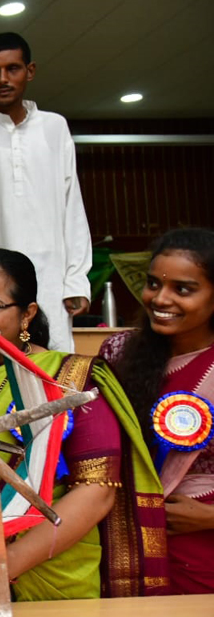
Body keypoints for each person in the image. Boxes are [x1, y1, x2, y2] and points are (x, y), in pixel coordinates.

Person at [0, 248, 166, 602]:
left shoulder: (70, 378)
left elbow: (96, 491)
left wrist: (1, 565)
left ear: (27, 314)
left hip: (47, 578)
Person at [100, 228, 214, 594]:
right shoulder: (117, 352)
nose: (160, 298)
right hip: (126, 538)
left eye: (183, 289)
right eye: (153, 284)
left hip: (199, 541)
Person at [0, 32, 92, 353]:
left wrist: (76, 280)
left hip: (50, 279)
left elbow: (72, 207)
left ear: (30, 71)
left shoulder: (54, 127)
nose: (3, 79)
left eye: (13, 68)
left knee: (55, 369)